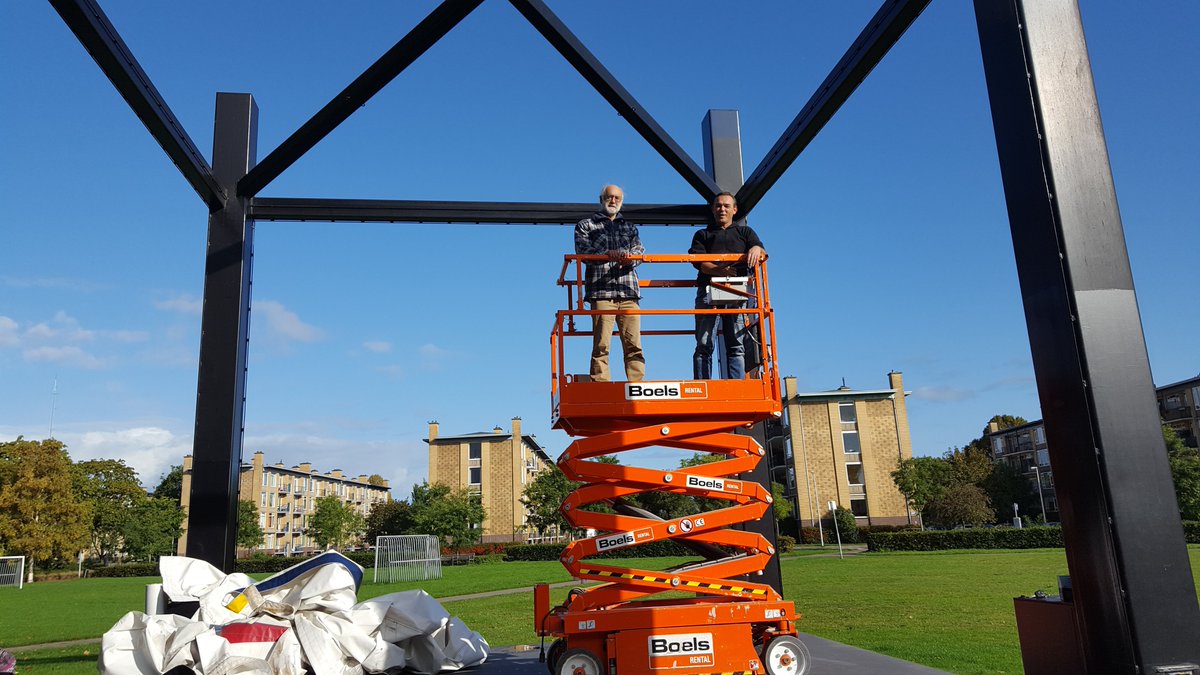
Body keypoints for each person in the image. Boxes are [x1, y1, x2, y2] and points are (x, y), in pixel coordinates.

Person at [690, 191, 765, 380]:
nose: (721, 209)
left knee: (736, 343)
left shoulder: (745, 232)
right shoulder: (702, 234)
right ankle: (702, 385)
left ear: (734, 209)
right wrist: (721, 271)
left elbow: (760, 250)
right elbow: (699, 262)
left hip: (736, 292)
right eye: (718, 205)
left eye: (726, 205)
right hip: (708, 291)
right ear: (713, 209)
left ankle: (737, 386)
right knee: (704, 343)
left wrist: (756, 248)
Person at [574, 184, 646, 382]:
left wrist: (629, 258)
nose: (613, 200)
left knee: (633, 342)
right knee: (602, 343)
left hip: (628, 292)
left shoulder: (630, 228)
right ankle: (601, 384)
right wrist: (607, 256)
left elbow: (640, 252)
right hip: (601, 292)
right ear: (601, 199)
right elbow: (583, 252)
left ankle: (636, 384)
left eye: (617, 198)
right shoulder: (586, 225)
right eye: (609, 197)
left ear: (621, 201)